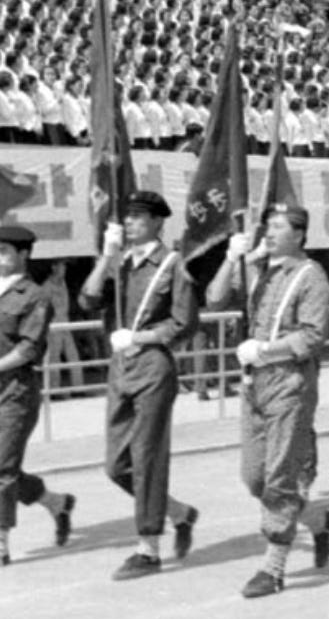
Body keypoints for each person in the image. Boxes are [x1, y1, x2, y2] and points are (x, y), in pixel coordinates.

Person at [207, 204, 329, 598]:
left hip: (289, 384)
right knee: (255, 477)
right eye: (269, 226)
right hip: (255, 385)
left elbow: (312, 337)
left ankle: (273, 566)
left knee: (279, 475)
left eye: (278, 226)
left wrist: (265, 349)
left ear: (299, 234)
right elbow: (214, 300)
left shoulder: (311, 277)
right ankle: (316, 520)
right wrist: (231, 259)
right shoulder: (259, 272)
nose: (269, 232)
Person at [80, 191, 200, 578]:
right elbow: (87, 300)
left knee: (147, 456)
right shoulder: (120, 264)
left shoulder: (171, 265)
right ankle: (179, 512)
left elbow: (185, 322)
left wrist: (143, 338)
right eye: (127, 218)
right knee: (116, 465)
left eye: (138, 218)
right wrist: (106, 257)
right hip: (121, 368)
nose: (129, 223)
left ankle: (148, 547)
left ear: (157, 223)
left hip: (152, 367)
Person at [0, 225, 75, 564]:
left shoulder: (35, 296)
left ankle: (0, 540)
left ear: (23, 255)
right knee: (6, 468)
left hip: (15, 391)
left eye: (4, 251)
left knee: (2, 467)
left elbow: (29, 349)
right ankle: (56, 503)